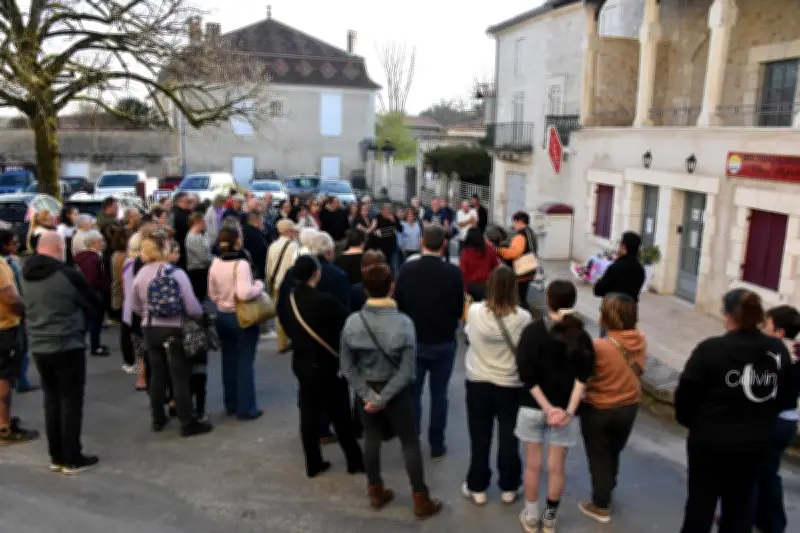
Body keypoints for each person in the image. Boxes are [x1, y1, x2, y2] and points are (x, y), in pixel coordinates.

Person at [675, 289, 791, 533]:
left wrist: (697, 425)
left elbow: (685, 398)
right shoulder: (777, 351)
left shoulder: (710, 350)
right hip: (754, 442)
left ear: (728, 316)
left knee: (700, 506)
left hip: (710, 443)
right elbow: (783, 397)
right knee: (741, 508)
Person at [339, 253, 443, 519]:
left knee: (371, 440)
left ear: (365, 290)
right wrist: (385, 396)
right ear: (392, 286)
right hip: (396, 390)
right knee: (409, 442)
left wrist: (369, 396)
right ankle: (420, 498)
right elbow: (407, 370)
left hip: (367, 387)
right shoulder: (404, 323)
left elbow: (347, 367)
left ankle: (375, 490)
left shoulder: (352, 323)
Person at [515, 280, 595, 533]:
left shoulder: (532, 332)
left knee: (532, 465)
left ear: (548, 299)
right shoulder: (581, 336)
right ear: (573, 301)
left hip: (532, 407)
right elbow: (583, 379)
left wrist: (546, 408)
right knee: (557, 467)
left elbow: (526, 375)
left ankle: (530, 515)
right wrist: (567, 411)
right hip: (566, 413)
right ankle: (549, 519)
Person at [278, 254, 364, 477]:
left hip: (302, 361)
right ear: (316, 274)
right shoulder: (322, 301)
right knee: (340, 414)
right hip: (326, 363)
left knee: (308, 414)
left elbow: (284, 321)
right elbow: (347, 321)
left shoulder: (289, 299)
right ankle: (354, 461)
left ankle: (313, 463)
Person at [22, 231, 99, 471]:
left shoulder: (24, 274)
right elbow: (93, 303)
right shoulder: (67, 275)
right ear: (58, 248)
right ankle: (72, 456)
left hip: (39, 343)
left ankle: (56, 454)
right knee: (71, 400)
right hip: (67, 343)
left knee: (52, 399)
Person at [131, 228, 212, 437]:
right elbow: (192, 306)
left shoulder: (141, 273)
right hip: (174, 328)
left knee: (157, 374)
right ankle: (187, 421)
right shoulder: (175, 273)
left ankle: (157, 417)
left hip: (150, 328)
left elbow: (135, 305)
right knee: (179, 376)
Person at [462, 266, 532, 506]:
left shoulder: (474, 311)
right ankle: (509, 486)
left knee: (479, 437)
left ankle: (477, 486)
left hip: (478, 381)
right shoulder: (523, 318)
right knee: (509, 438)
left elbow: (468, 335)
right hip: (510, 384)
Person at [394, 224, 464, 460]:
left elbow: (399, 304)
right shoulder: (454, 273)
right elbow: (458, 309)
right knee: (439, 394)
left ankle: (412, 440)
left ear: (422, 242)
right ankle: (437, 442)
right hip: (443, 341)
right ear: (444, 244)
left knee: (413, 394)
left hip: (414, 340)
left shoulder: (407, 270)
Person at [578, 293, 646, 524]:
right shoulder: (640, 340)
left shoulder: (599, 346)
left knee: (598, 456)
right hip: (629, 406)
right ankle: (608, 486)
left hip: (599, 407)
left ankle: (600, 504)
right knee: (613, 452)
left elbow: (584, 375)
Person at [208, 228, 265, 421]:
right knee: (245, 362)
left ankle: (230, 402)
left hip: (222, 316)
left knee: (229, 361)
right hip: (241, 316)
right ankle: (246, 407)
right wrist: (259, 286)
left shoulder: (215, 263)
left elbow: (212, 293)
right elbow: (244, 292)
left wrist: (221, 301)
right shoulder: (241, 264)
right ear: (237, 241)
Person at [755, 305, 800, 533]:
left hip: (777, 421)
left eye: (767, 325)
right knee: (767, 470)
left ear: (780, 332)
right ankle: (765, 520)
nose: (763, 328)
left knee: (760, 471)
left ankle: (770, 522)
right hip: (787, 421)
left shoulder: (777, 355)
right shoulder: (787, 355)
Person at [0, 232, 39, 446]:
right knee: (4, 377)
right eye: (13, 243)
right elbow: (10, 297)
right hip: (5, 327)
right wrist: (25, 311)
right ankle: (4, 426)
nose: (17, 245)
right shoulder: (1, 266)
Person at [593, 232, 646, 336]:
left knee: (608, 343)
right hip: (629, 312)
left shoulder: (615, 267)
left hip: (612, 312)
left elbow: (598, 290)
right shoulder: (640, 269)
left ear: (623, 247)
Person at [73, 230, 110, 357]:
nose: (102, 243)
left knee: (84, 320)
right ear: (94, 243)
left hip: (80, 292)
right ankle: (95, 346)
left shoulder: (79, 256)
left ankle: (82, 344)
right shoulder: (94, 258)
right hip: (95, 293)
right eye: (100, 241)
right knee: (96, 321)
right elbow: (93, 278)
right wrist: (103, 286)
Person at [266, 219, 299, 351]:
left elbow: (268, 267)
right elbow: (296, 266)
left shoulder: (272, 246)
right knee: (292, 312)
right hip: (289, 284)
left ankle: (282, 342)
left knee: (279, 313)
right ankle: (290, 339)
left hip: (276, 284)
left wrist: (270, 281)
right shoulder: (294, 246)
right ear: (289, 231)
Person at [498, 211, 538, 310]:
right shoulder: (530, 232)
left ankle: (523, 315)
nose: (514, 225)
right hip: (530, 267)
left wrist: (500, 250)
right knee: (523, 294)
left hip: (521, 270)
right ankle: (525, 311)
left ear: (520, 221)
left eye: (515, 222)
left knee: (518, 297)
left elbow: (513, 253)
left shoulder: (520, 236)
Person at [460, 227, 500, 302]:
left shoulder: (465, 252)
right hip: (486, 285)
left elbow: (462, 272)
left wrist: (463, 289)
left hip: (470, 286)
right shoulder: (490, 250)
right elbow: (496, 268)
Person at [185, 212, 212, 301]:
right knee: (199, 294)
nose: (205, 223)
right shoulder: (192, 237)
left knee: (202, 293)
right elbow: (203, 257)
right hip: (197, 270)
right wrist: (215, 260)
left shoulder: (200, 234)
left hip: (203, 268)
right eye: (203, 221)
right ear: (197, 222)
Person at [370, 203, 402, 275]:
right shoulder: (376, 218)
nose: (388, 213)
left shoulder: (393, 217)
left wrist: (394, 221)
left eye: (389, 211)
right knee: (381, 267)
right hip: (380, 249)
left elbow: (400, 229)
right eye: (386, 211)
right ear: (382, 211)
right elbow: (372, 234)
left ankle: (393, 282)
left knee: (393, 266)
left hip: (392, 247)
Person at [242, 210, 268, 282]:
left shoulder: (243, 230)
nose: (263, 222)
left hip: (246, 269)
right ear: (257, 220)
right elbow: (262, 252)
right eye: (262, 219)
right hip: (257, 272)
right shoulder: (256, 235)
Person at [170, 192, 193, 271]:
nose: (189, 203)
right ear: (180, 201)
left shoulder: (186, 212)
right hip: (181, 245)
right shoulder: (177, 214)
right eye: (187, 201)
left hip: (185, 245)